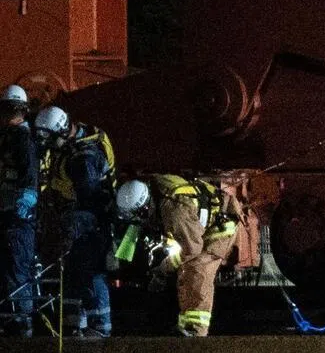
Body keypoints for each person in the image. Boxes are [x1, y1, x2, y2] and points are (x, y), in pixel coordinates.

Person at [114, 174, 239, 335]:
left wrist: (163, 270)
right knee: (182, 266)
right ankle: (182, 326)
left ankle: (195, 330)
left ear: (144, 208)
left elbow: (192, 248)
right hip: (195, 227)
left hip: (219, 226)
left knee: (195, 270)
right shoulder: (155, 191)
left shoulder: (174, 211)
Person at [35, 105, 116, 337]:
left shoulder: (84, 159)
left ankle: (99, 327)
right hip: (80, 218)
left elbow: (89, 198)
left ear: (61, 132)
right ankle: (73, 324)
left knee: (90, 272)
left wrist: (71, 226)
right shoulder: (78, 143)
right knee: (72, 272)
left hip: (89, 221)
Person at [0, 85, 38, 336]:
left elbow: (29, 176)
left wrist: (25, 202)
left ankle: (21, 321)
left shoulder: (22, 139)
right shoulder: (9, 136)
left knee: (16, 268)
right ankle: (12, 318)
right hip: (7, 213)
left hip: (18, 217)